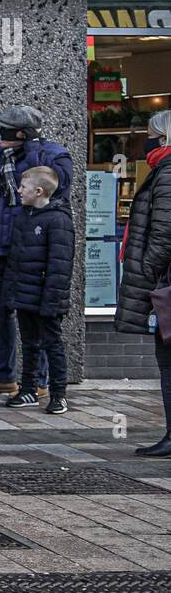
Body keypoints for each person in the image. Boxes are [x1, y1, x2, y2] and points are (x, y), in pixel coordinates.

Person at [0, 104, 73, 396]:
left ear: (24, 133)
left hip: (29, 248)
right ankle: (3, 375)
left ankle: (39, 380)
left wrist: (32, 147)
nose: (0, 136)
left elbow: (59, 187)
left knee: (34, 312)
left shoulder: (52, 154)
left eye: (7, 131)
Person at [115, 109, 171, 458]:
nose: (145, 139)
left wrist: (147, 274)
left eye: (150, 133)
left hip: (165, 282)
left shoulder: (167, 173)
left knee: (167, 362)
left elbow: (164, 233)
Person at [3, 167, 75, 413]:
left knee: (52, 344)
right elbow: (15, 259)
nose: (19, 191)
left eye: (23, 187)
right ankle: (28, 390)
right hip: (25, 294)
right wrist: (12, 293)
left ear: (39, 191)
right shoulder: (24, 216)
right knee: (29, 343)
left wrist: (52, 301)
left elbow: (60, 266)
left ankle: (58, 394)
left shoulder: (58, 220)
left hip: (46, 298)